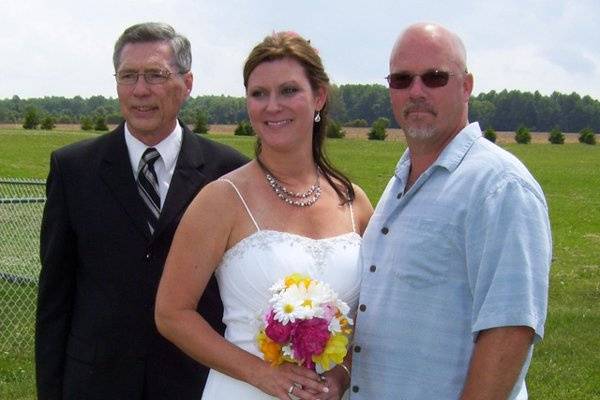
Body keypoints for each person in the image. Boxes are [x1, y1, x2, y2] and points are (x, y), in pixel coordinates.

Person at [155, 31, 373, 400]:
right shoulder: (221, 199)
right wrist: (262, 375)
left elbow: (371, 316)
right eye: (258, 94)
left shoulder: (354, 202)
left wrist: (341, 374)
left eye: (288, 91)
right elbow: (172, 313)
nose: (272, 106)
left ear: (318, 96)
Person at [35, 22, 247, 400]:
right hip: (96, 384)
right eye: (128, 76)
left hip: (194, 383)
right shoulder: (73, 169)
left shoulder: (229, 172)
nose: (140, 90)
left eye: (155, 75)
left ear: (187, 83)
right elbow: (55, 298)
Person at [349, 23, 552, 399]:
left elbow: (510, 329)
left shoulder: (499, 186)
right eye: (401, 79)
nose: (416, 91)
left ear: (466, 85)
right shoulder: (401, 181)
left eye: (435, 77)